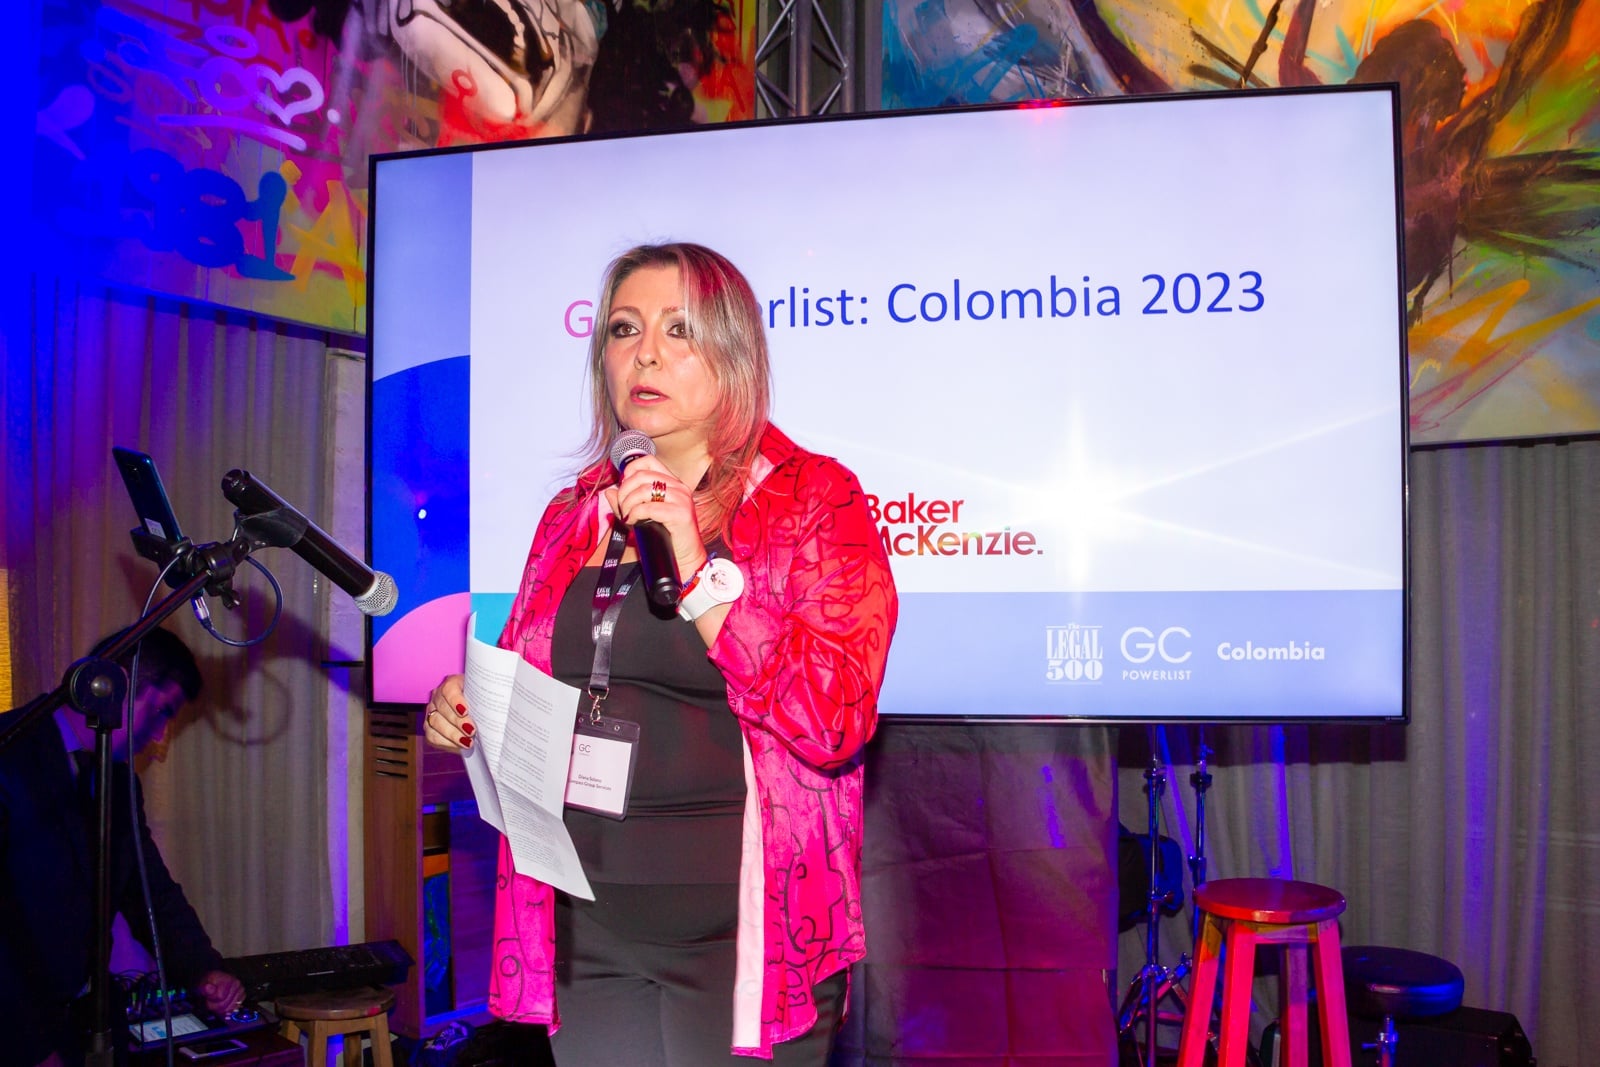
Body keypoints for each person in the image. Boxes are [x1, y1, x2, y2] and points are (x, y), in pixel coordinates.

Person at [423, 242, 898, 1064]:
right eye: (623, 328)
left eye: (679, 329)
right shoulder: (571, 514)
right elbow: (535, 680)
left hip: (743, 940)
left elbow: (835, 718)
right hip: (588, 928)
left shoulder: (814, 500)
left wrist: (698, 571)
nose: (644, 353)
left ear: (733, 352)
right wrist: (467, 707)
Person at [0, 627, 244, 1067]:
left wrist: (204, 969)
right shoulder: (10, 752)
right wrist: (31, 1047)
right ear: (114, 686)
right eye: (163, 711)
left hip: (84, 1023)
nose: (160, 736)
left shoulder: (118, 781)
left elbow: (151, 892)